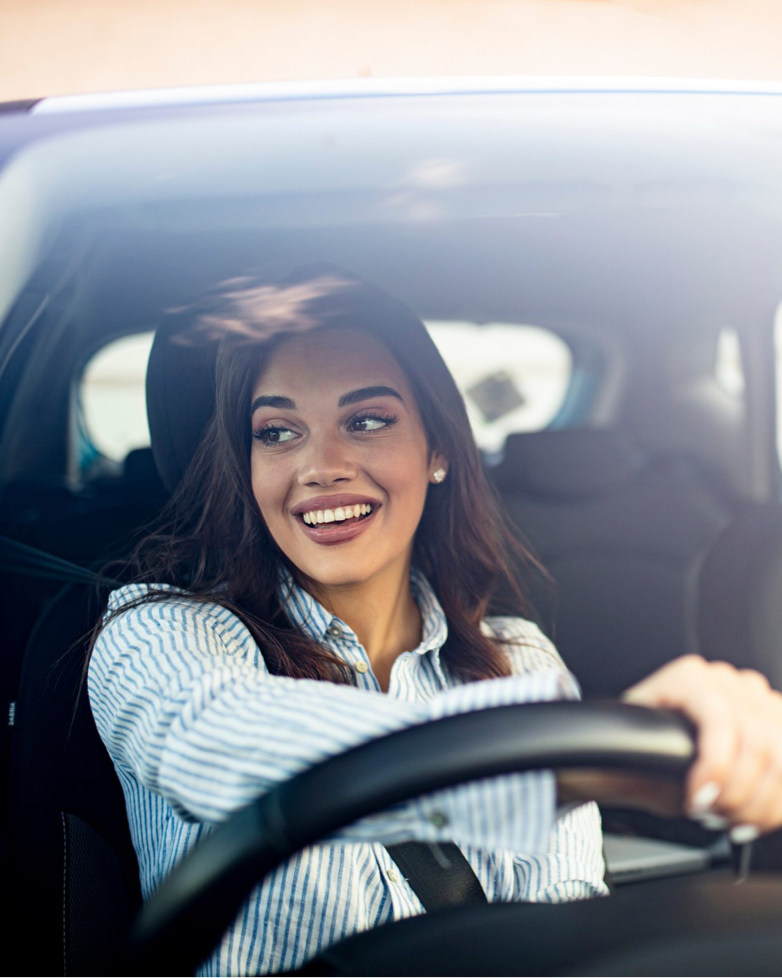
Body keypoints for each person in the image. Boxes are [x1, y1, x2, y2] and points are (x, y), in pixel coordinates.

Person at [88, 268, 782, 977]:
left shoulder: (519, 659)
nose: (320, 466)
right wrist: (560, 767)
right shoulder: (157, 632)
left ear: (439, 449)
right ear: (247, 465)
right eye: (277, 432)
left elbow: (566, 921)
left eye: (366, 421)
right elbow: (210, 743)